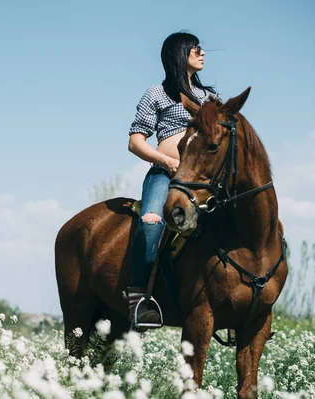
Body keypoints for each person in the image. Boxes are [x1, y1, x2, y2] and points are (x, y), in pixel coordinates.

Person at [127, 31, 218, 330]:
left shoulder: (209, 98)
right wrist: (166, 160)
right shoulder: (156, 94)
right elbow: (135, 142)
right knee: (151, 219)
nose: (203, 53)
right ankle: (140, 300)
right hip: (166, 175)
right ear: (180, 55)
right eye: (196, 49)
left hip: (202, 180)